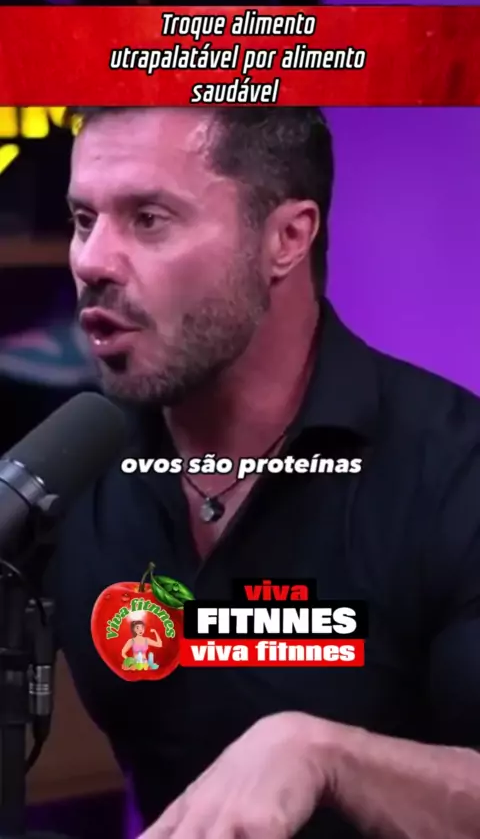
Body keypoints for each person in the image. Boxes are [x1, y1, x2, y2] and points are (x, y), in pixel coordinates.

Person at [48, 106, 480, 839]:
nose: (92, 260)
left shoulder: (453, 472)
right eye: (84, 219)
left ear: (286, 238)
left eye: (148, 219)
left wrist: (329, 757)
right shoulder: (69, 469)